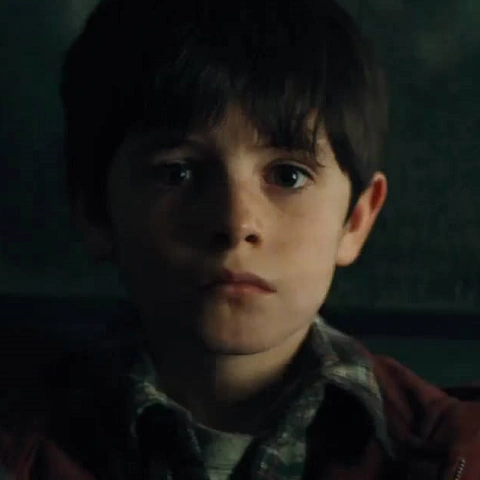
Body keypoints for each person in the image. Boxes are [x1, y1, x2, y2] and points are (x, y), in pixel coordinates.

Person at [1, 0, 480, 478]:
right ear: (95, 213)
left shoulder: (450, 450)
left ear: (354, 221)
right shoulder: (22, 443)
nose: (236, 222)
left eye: (289, 176)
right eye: (178, 172)